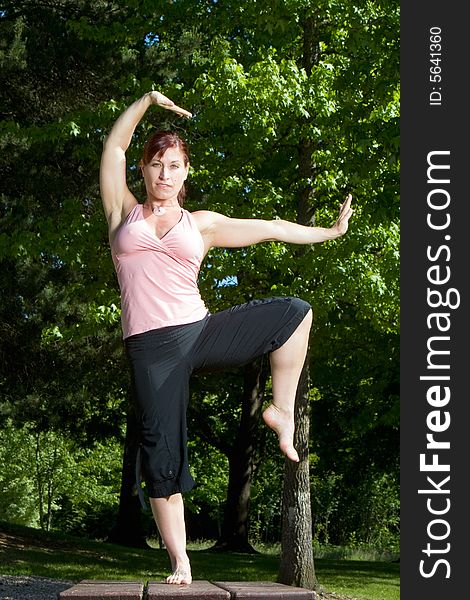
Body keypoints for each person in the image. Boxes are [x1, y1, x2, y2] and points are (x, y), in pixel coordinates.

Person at [99, 91, 353, 585]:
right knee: (161, 458)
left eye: (174, 165)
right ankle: (180, 560)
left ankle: (278, 410)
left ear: (186, 172)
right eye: (156, 165)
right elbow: (113, 151)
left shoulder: (202, 225)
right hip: (152, 351)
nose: (164, 174)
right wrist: (148, 100)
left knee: (295, 314)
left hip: (200, 331)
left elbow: (270, 228)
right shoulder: (122, 213)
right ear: (145, 171)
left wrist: (327, 232)